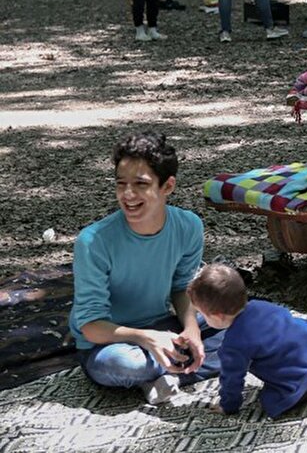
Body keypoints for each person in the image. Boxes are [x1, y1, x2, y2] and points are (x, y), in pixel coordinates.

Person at [69, 131, 225, 405]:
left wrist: (191, 329)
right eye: (121, 184)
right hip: (109, 341)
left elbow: (182, 288)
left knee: (242, 321)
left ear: (167, 186)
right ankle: (179, 366)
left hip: (163, 323)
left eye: (141, 184)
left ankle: (168, 369)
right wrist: (147, 338)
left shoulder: (188, 226)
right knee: (125, 365)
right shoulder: (93, 242)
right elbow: (91, 328)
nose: (128, 195)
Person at [188, 264, 307, 418]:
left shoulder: (233, 344)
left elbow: (232, 380)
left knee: (269, 400)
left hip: (305, 377)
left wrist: (228, 406)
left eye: (202, 314)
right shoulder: (260, 304)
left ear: (217, 316)